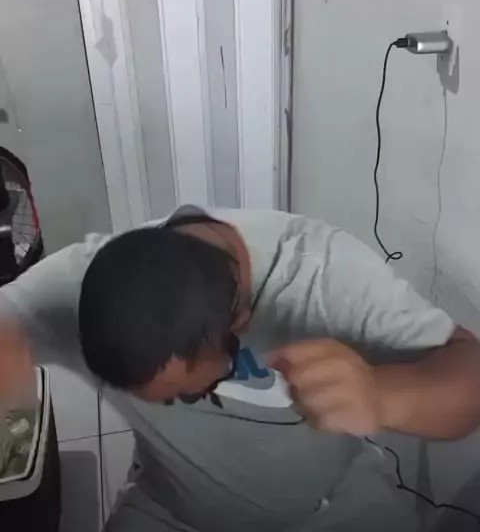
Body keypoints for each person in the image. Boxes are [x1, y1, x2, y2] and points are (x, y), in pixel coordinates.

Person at [1, 205, 480, 532]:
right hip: (172, 509)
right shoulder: (74, 285)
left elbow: (469, 369)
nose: (180, 406)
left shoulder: (322, 278)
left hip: (332, 508)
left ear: (241, 319)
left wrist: (385, 395)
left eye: (188, 393)